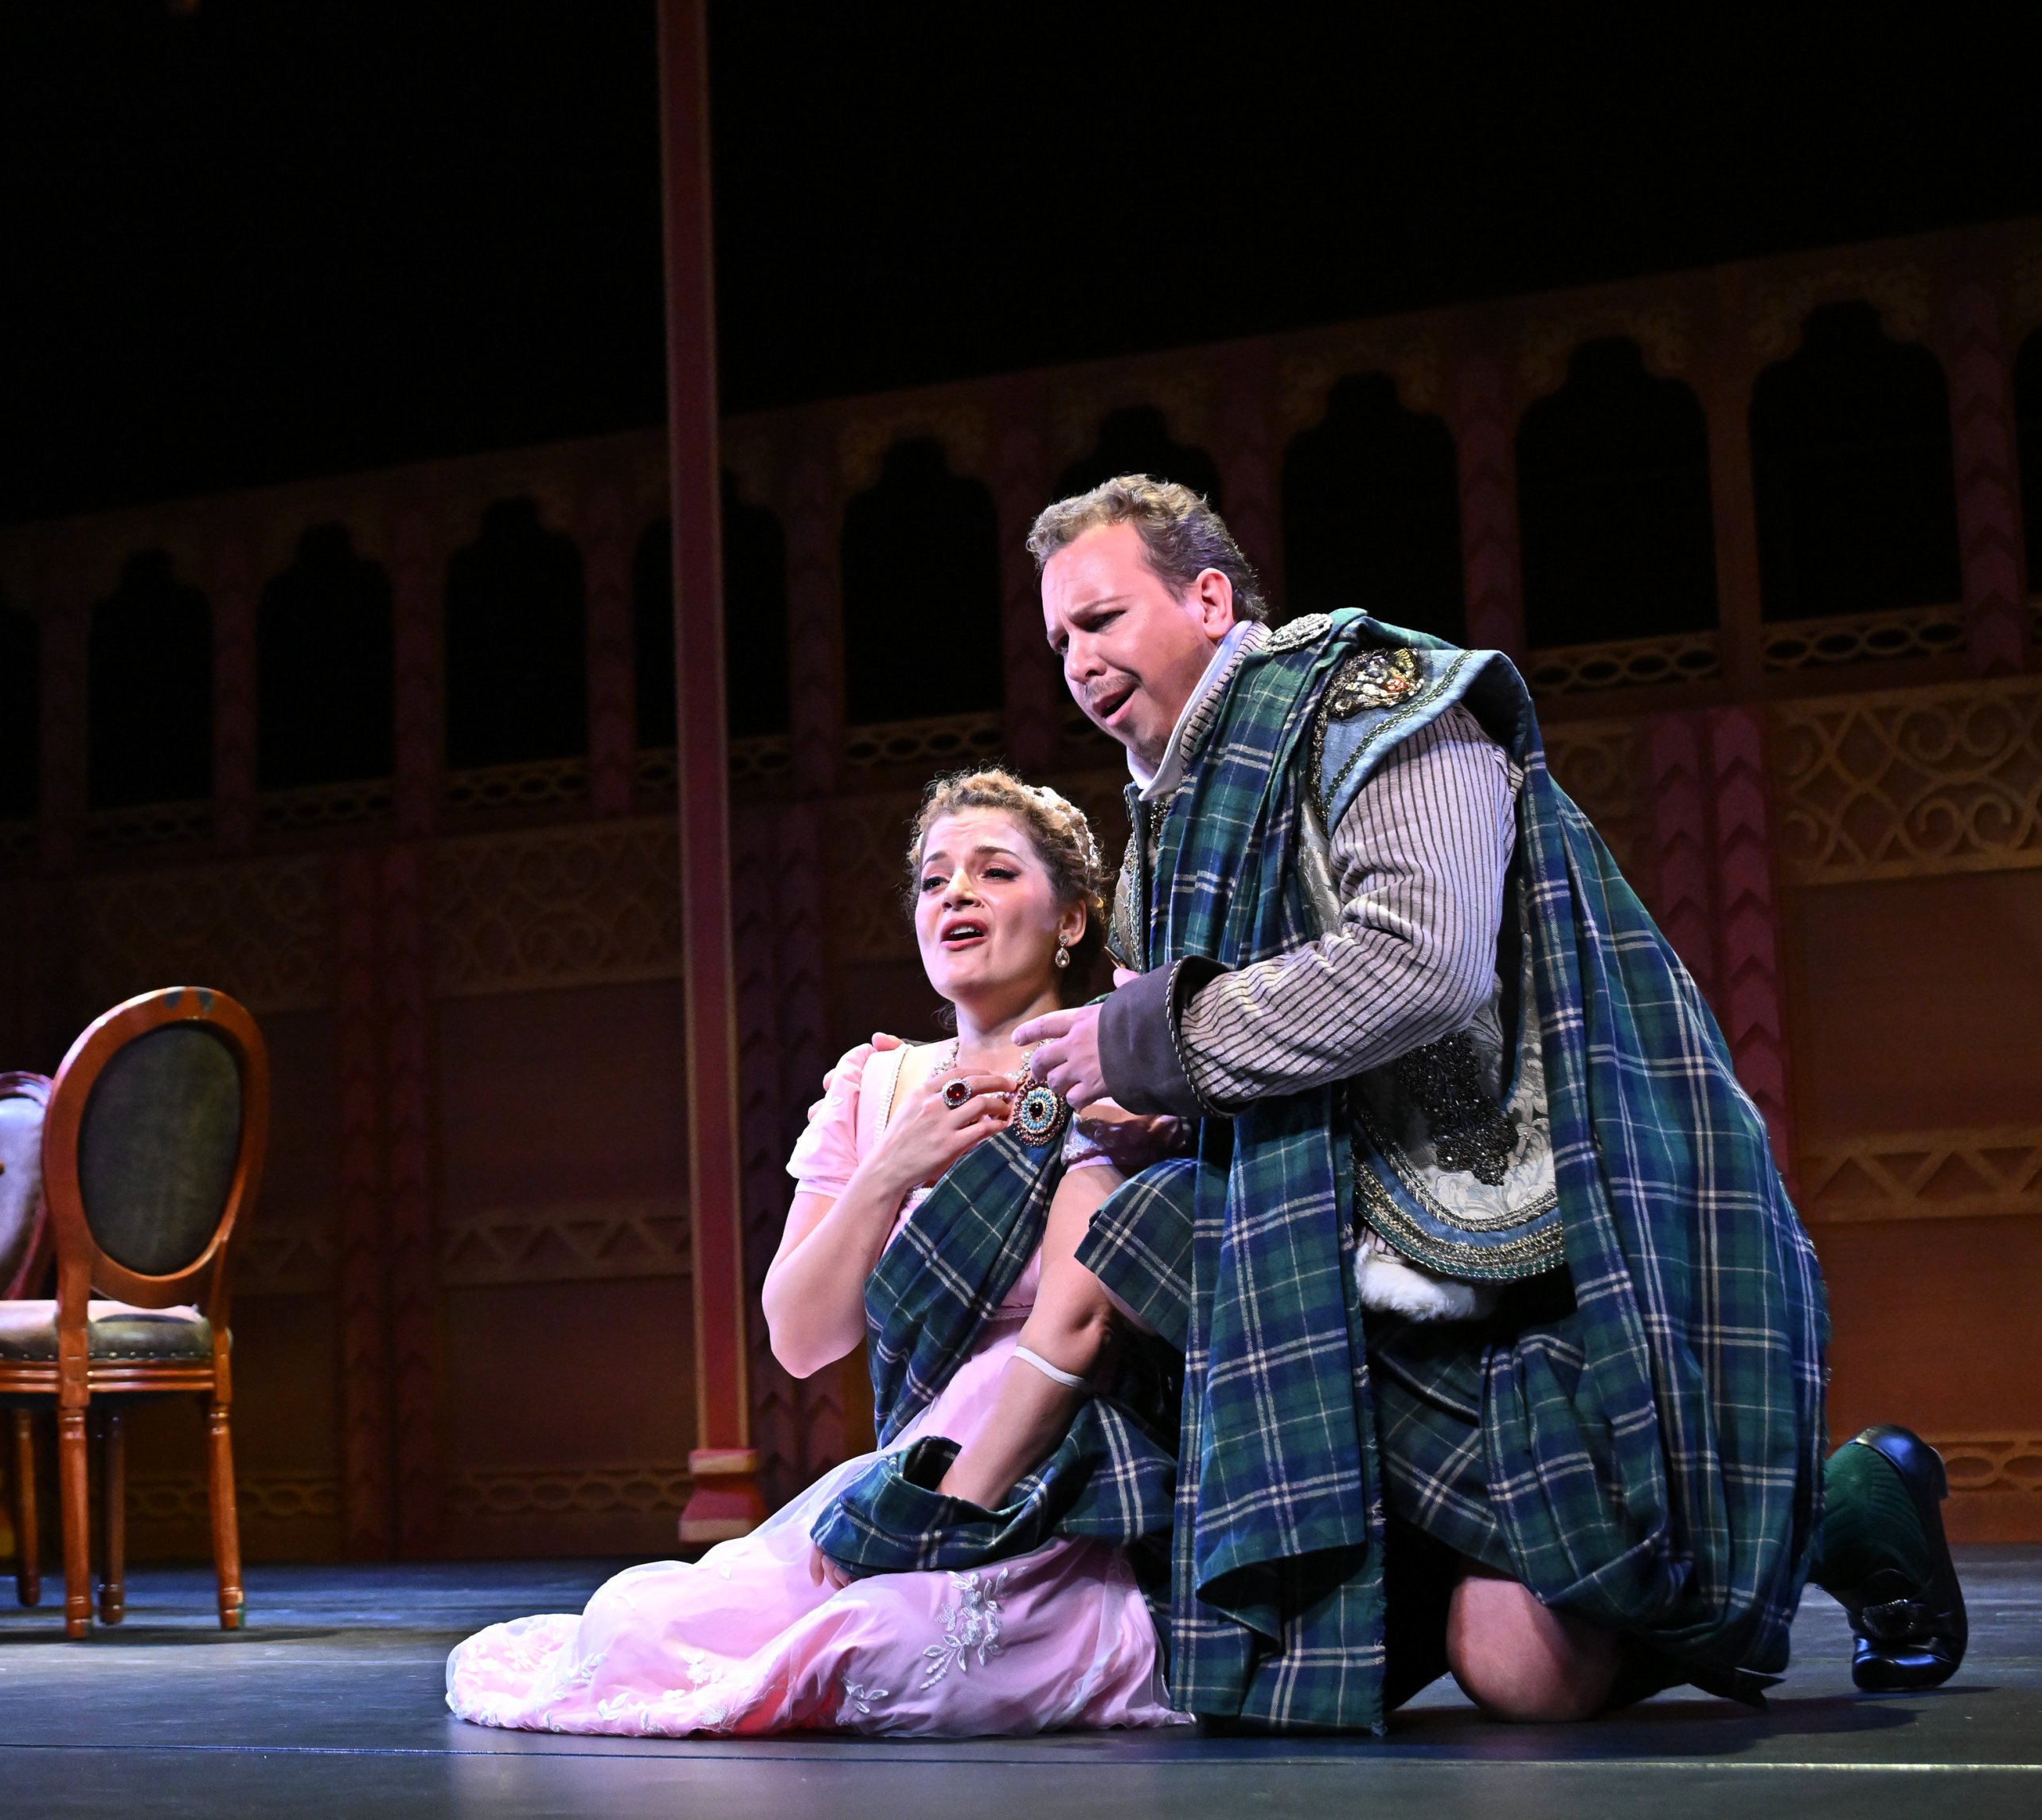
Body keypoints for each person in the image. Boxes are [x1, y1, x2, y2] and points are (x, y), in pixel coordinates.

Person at [810, 474, 1965, 1731]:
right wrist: (1140, 1107)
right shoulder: (1162, 838)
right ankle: (1779, 1522)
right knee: (1527, 1675)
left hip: (1522, 1231)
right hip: (1335, 1248)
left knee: (1150, 1238)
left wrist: (1144, 1046)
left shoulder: (1377, 700)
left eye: (1099, 619)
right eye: (1057, 642)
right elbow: (1221, 1074)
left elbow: (1420, 957)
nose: (1076, 662)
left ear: (1207, 596)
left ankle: (1843, 1497)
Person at [443, 771, 1185, 1737]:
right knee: (633, 1626)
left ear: (1074, 918)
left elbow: (1079, 1323)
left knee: (866, 1650)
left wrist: (952, 1514)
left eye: (994, 872)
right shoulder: (874, 1087)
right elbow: (800, 1338)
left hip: (1056, 1483)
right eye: (932, 879)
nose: (954, 894)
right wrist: (889, 1168)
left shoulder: (1101, 1073)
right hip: (913, 1462)